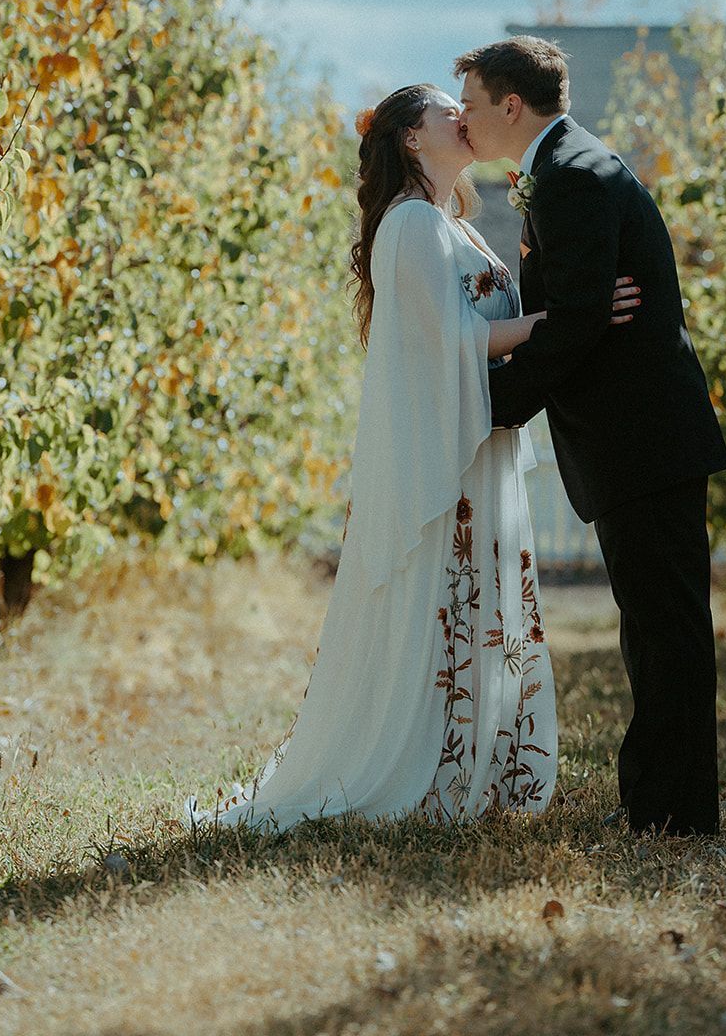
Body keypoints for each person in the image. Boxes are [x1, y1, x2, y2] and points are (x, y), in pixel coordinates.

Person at [183, 83, 640, 832]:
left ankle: (472, 756)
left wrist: (555, 315)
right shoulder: (411, 225)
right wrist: (563, 320)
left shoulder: (452, 224)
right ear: (409, 139)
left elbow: (477, 325)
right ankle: (420, 765)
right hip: (446, 450)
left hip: (474, 438)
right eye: (442, 111)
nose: (461, 119)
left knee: (472, 601)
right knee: (442, 596)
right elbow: (449, 341)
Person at [455, 36, 726, 838]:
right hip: (639, 438)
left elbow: (575, 326)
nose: (466, 122)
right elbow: (578, 313)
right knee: (654, 627)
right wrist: (570, 315)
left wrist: (487, 408)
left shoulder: (572, 177)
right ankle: (663, 804)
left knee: (664, 629)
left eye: (472, 105)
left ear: (513, 105)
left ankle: (671, 813)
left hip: (642, 438)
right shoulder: (568, 168)